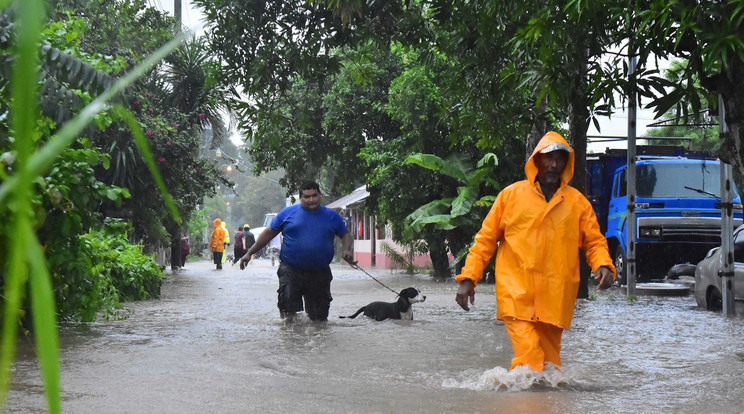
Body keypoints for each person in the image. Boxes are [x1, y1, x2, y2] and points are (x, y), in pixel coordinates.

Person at [455, 131, 615, 372]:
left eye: (559, 159)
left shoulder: (577, 203)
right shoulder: (510, 196)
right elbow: (485, 241)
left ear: (566, 163)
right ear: (536, 161)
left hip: (556, 298)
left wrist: (603, 265)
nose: (553, 164)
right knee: (529, 359)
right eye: (548, 158)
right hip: (516, 296)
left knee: (551, 368)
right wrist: (468, 278)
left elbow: (594, 242)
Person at [239, 181, 354, 322]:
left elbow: (345, 234)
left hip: (319, 272)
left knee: (319, 318)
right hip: (291, 270)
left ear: (320, 195)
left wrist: (347, 250)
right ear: (300, 198)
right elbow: (268, 234)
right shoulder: (287, 214)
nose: (311, 200)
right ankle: (292, 342)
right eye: (306, 197)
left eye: (314, 196)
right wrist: (249, 253)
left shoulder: (331, 216)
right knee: (289, 314)